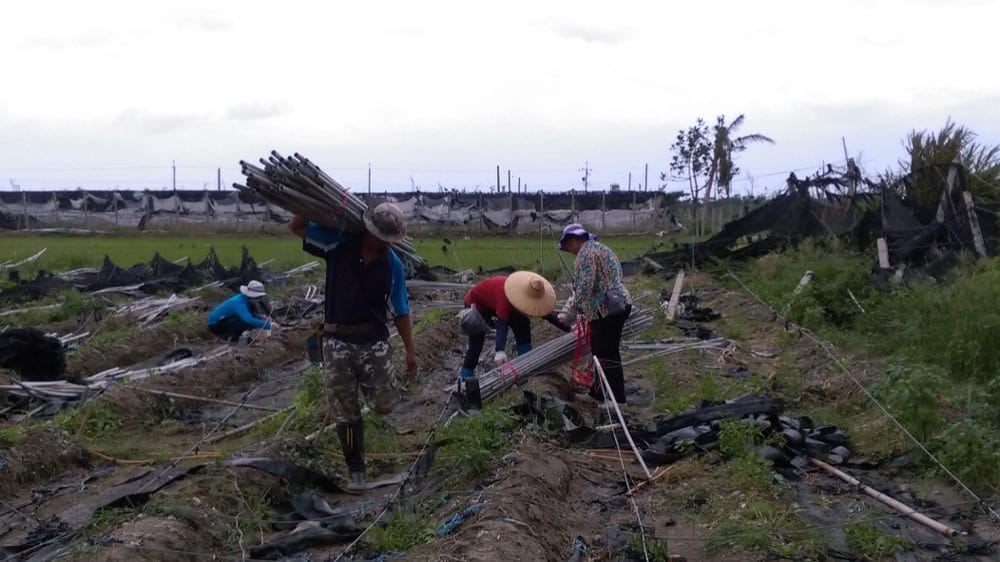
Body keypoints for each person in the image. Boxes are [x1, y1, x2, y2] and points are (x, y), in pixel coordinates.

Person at [288, 202, 418, 492]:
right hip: (337, 340)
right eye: (380, 237)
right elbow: (296, 226)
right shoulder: (337, 244)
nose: (383, 243)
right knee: (345, 411)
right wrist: (308, 202)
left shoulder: (393, 264)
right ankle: (356, 470)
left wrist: (410, 350)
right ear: (368, 230)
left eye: (389, 240)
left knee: (385, 405)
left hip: (374, 341)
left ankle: (368, 415)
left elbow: (400, 309)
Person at [458, 272, 569, 398]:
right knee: (476, 343)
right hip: (477, 305)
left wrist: (568, 328)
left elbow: (545, 313)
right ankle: (464, 379)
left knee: (522, 322)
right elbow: (502, 324)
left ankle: (527, 365)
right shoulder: (505, 295)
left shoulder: (524, 294)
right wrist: (499, 350)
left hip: (492, 302)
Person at [557, 223, 632, 404]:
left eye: (568, 246)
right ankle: (598, 394)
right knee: (602, 353)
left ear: (575, 240)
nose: (569, 251)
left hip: (604, 311)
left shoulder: (585, 254)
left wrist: (570, 312)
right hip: (619, 304)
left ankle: (616, 400)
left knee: (606, 355)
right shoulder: (602, 249)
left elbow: (584, 286)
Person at [207, 280, 275, 342]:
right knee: (243, 321)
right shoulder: (239, 302)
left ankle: (233, 337)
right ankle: (230, 337)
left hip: (226, 320)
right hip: (216, 325)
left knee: (247, 319)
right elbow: (248, 319)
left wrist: (260, 317)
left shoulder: (245, 300)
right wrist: (269, 326)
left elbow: (249, 315)